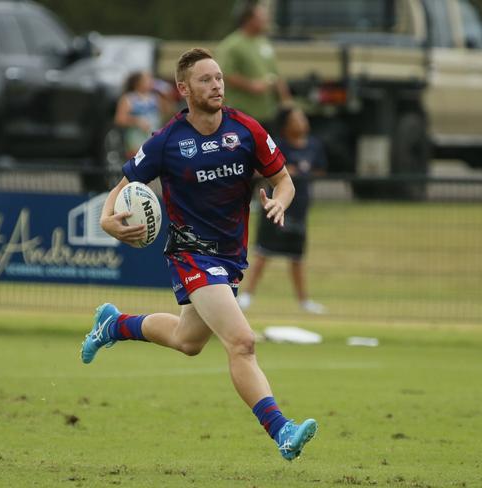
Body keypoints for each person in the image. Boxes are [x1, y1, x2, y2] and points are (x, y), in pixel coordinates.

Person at [81, 48, 317, 461]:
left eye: (220, 78)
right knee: (242, 342)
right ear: (184, 89)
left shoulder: (245, 129)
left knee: (187, 341)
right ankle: (282, 430)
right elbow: (123, 184)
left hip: (229, 257)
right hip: (191, 252)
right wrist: (105, 218)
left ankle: (114, 325)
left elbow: (284, 181)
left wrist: (279, 201)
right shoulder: (167, 141)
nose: (217, 85)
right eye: (206, 79)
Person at [237, 106, 327, 314]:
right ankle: (247, 295)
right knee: (263, 253)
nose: (302, 123)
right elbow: (263, 169)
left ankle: (304, 301)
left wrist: (307, 173)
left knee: (297, 256)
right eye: (296, 119)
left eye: (303, 118)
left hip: (300, 207)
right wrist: (288, 172)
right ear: (286, 126)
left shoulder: (314, 145)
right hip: (275, 206)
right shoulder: (278, 145)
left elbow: (321, 169)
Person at [216, 0, 292, 129]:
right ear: (248, 19)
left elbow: (275, 73)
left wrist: (286, 99)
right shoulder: (232, 45)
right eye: (262, 17)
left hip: (267, 114)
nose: (266, 19)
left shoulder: (263, 42)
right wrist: (251, 85)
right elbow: (225, 75)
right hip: (242, 115)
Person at [114, 71, 169, 159]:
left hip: (153, 139)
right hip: (136, 141)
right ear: (138, 83)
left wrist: (165, 94)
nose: (151, 81)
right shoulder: (128, 98)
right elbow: (119, 119)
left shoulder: (155, 97)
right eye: (147, 79)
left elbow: (167, 112)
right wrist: (136, 121)